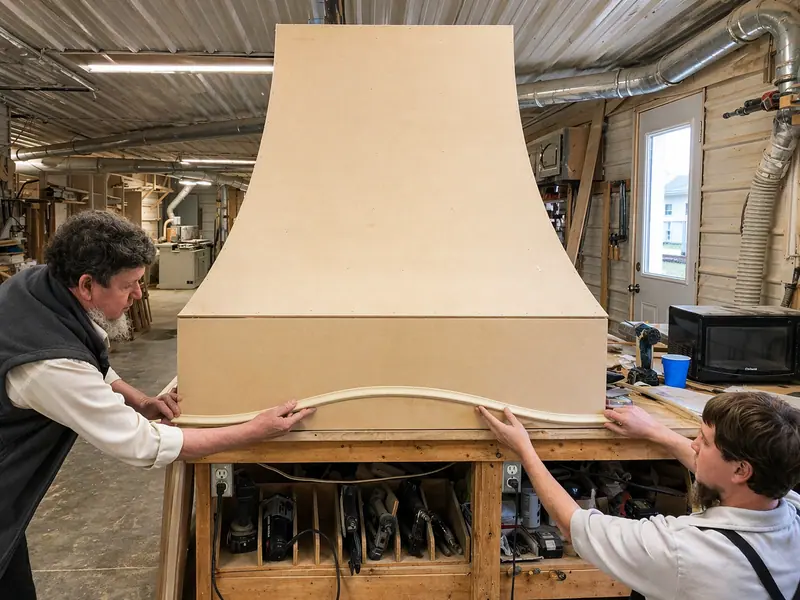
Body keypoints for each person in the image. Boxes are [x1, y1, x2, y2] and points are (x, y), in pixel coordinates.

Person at [0, 210, 315, 599]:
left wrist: (141, 400)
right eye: (128, 285)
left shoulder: (39, 286)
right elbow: (143, 444)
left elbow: (91, 363)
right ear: (87, 285)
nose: (139, 294)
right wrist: (254, 430)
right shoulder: (49, 366)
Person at [478, 391, 800, 600]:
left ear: (741, 470)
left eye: (704, 441)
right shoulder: (788, 510)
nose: (693, 445)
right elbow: (725, 473)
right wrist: (656, 431)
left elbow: (572, 523)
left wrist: (524, 450)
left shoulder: (684, 550)